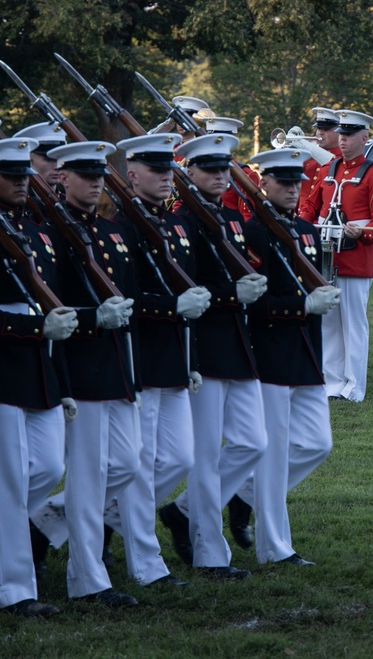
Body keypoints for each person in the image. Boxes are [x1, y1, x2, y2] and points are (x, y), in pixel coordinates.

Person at [30, 141, 140, 607]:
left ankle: (43, 525)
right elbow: (48, 305)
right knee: (89, 475)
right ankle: (88, 580)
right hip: (80, 365)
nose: (95, 182)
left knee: (128, 464)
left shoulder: (110, 231)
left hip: (116, 364)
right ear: (62, 178)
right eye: (84, 174)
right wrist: (96, 318)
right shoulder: (49, 234)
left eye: (99, 175)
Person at [101, 133, 211, 588]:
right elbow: (123, 297)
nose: (167, 176)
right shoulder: (121, 228)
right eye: (155, 169)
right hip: (141, 356)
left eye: (169, 169)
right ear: (132, 175)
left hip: (174, 358)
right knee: (141, 465)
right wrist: (172, 309)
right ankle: (146, 563)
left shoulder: (170, 224)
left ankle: (67, 520)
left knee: (179, 459)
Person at [159, 132, 268, 580]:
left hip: (237, 345)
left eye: (225, 169)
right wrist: (231, 296)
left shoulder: (230, 217)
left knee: (252, 443)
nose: (221, 176)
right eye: (210, 169)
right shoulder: (181, 220)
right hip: (204, 345)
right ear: (190, 172)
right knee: (204, 456)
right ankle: (210, 552)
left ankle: (182, 511)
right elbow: (187, 288)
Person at [231, 148, 340, 565]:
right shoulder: (252, 233)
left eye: (297, 182)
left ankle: (242, 495)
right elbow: (252, 304)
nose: (292, 189)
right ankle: (275, 548)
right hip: (271, 352)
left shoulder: (308, 230)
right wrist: (300, 308)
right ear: (264, 184)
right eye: (282, 182)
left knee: (316, 445)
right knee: (274, 455)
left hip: (306, 352)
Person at [0, 135, 77, 618]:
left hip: (38, 364)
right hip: (6, 363)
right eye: (11, 178)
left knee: (48, 467)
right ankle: (15, 590)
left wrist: (62, 382)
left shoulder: (28, 227)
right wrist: (33, 327)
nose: (22, 184)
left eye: (24, 175)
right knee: (9, 480)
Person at [298, 109, 373, 401]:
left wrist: (362, 233)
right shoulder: (329, 170)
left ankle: (354, 386)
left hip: (354, 255)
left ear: (364, 138)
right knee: (329, 322)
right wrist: (304, 228)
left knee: (353, 324)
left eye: (349, 135)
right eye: (341, 135)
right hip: (327, 255)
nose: (343, 140)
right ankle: (332, 382)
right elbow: (309, 207)